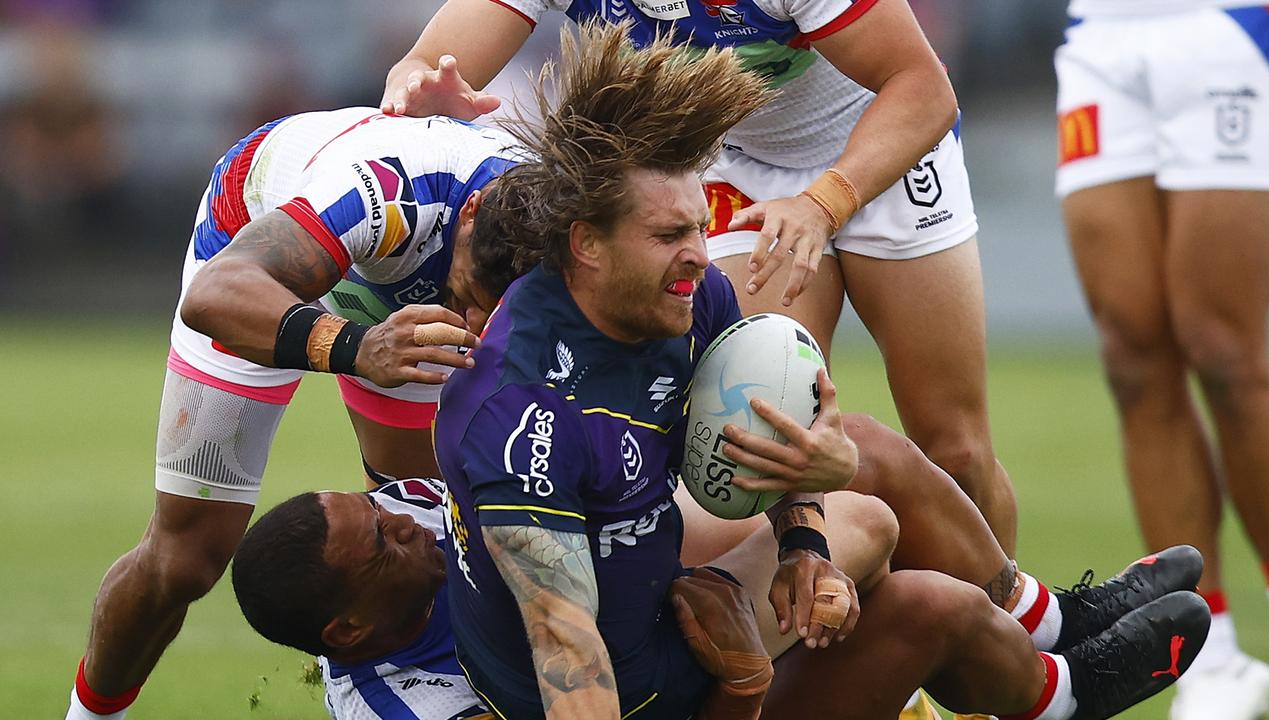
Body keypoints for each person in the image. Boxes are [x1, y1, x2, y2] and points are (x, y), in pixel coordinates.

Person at [430, 21, 1207, 720]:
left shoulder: (688, 295)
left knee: (867, 502)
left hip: (667, 611)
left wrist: (802, 545)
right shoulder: (520, 419)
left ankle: (1056, 667)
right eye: (671, 234)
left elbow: (781, 428)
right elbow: (570, 661)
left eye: (702, 227)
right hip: (638, 695)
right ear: (586, 244)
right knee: (923, 603)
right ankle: (1056, 679)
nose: (702, 253)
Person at [380, 0, 1022, 578]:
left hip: (884, 150)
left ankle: (1012, 650)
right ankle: (877, 663)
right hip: (738, 167)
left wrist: (823, 203)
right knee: (759, 445)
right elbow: (420, 69)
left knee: (956, 451)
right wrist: (418, 89)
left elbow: (923, 88)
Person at [63, 106, 539, 720]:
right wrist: (359, 347)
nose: (476, 326)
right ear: (470, 216)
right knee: (185, 559)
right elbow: (215, 295)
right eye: (473, 301)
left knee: (427, 515)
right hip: (255, 254)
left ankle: (430, 692)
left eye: (494, 313)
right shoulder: (387, 193)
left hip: (397, 286)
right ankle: (91, 715)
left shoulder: (556, 223)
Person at [232, 480, 1210, 720]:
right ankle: (1066, 695)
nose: (409, 520)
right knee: (923, 606)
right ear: (349, 628)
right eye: (386, 542)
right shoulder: (412, 705)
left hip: (661, 629)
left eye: (383, 509)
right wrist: (741, 683)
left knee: (844, 459)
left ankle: (1048, 623)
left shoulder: (418, 511)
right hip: (694, 705)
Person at [1054, 3, 1269, 718]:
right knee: (1132, 353)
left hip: (1224, 25)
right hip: (1101, 35)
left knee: (1223, 350)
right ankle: (1212, 665)